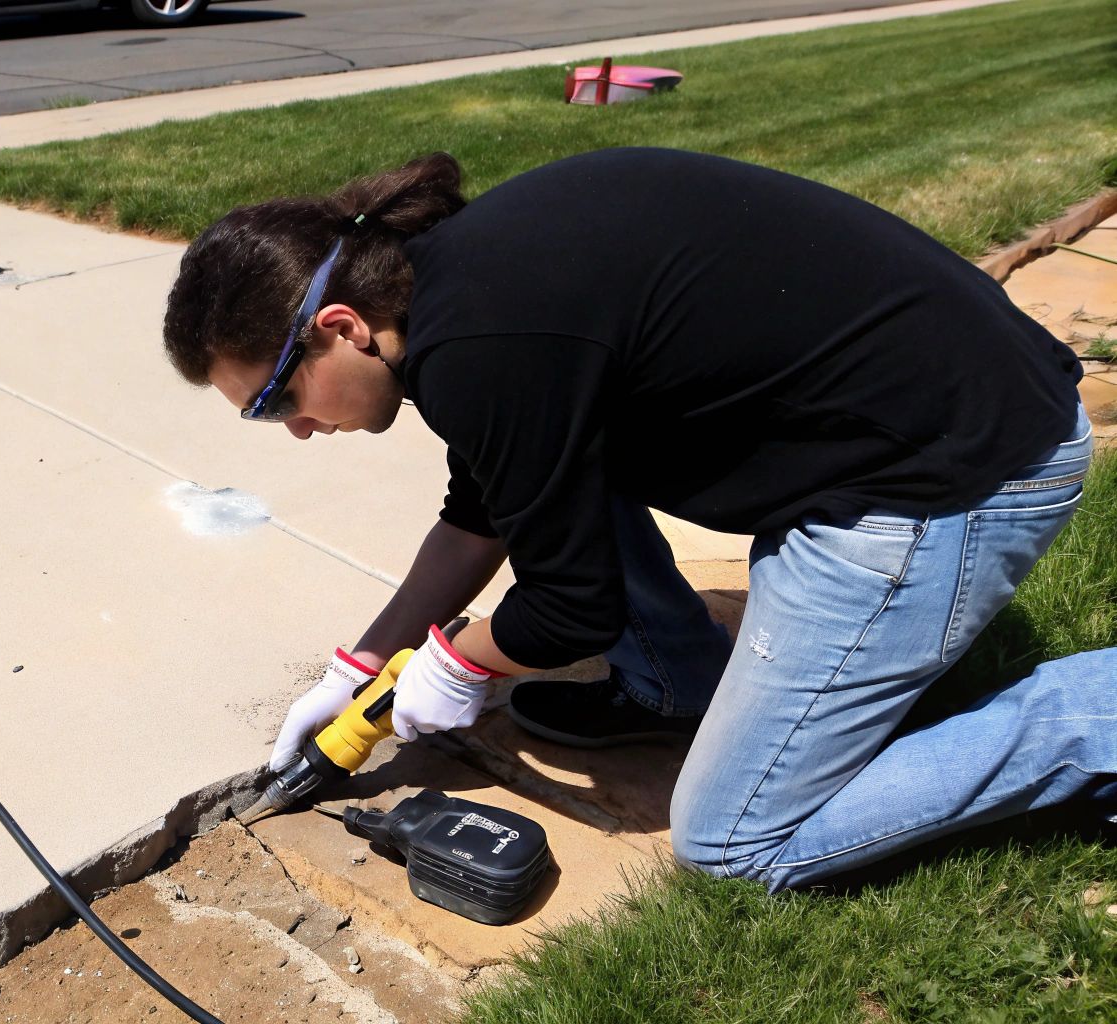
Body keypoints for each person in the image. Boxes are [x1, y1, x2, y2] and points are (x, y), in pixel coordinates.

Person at [161, 147, 1115, 892]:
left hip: (954, 479)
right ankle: (674, 682)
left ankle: (1094, 716)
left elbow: (570, 608)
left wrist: (460, 664)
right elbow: (492, 501)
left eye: (275, 401)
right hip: (924, 417)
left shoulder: (482, 346)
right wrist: (362, 666)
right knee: (564, 470)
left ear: (338, 327)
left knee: (737, 839)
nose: (293, 432)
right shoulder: (456, 285)